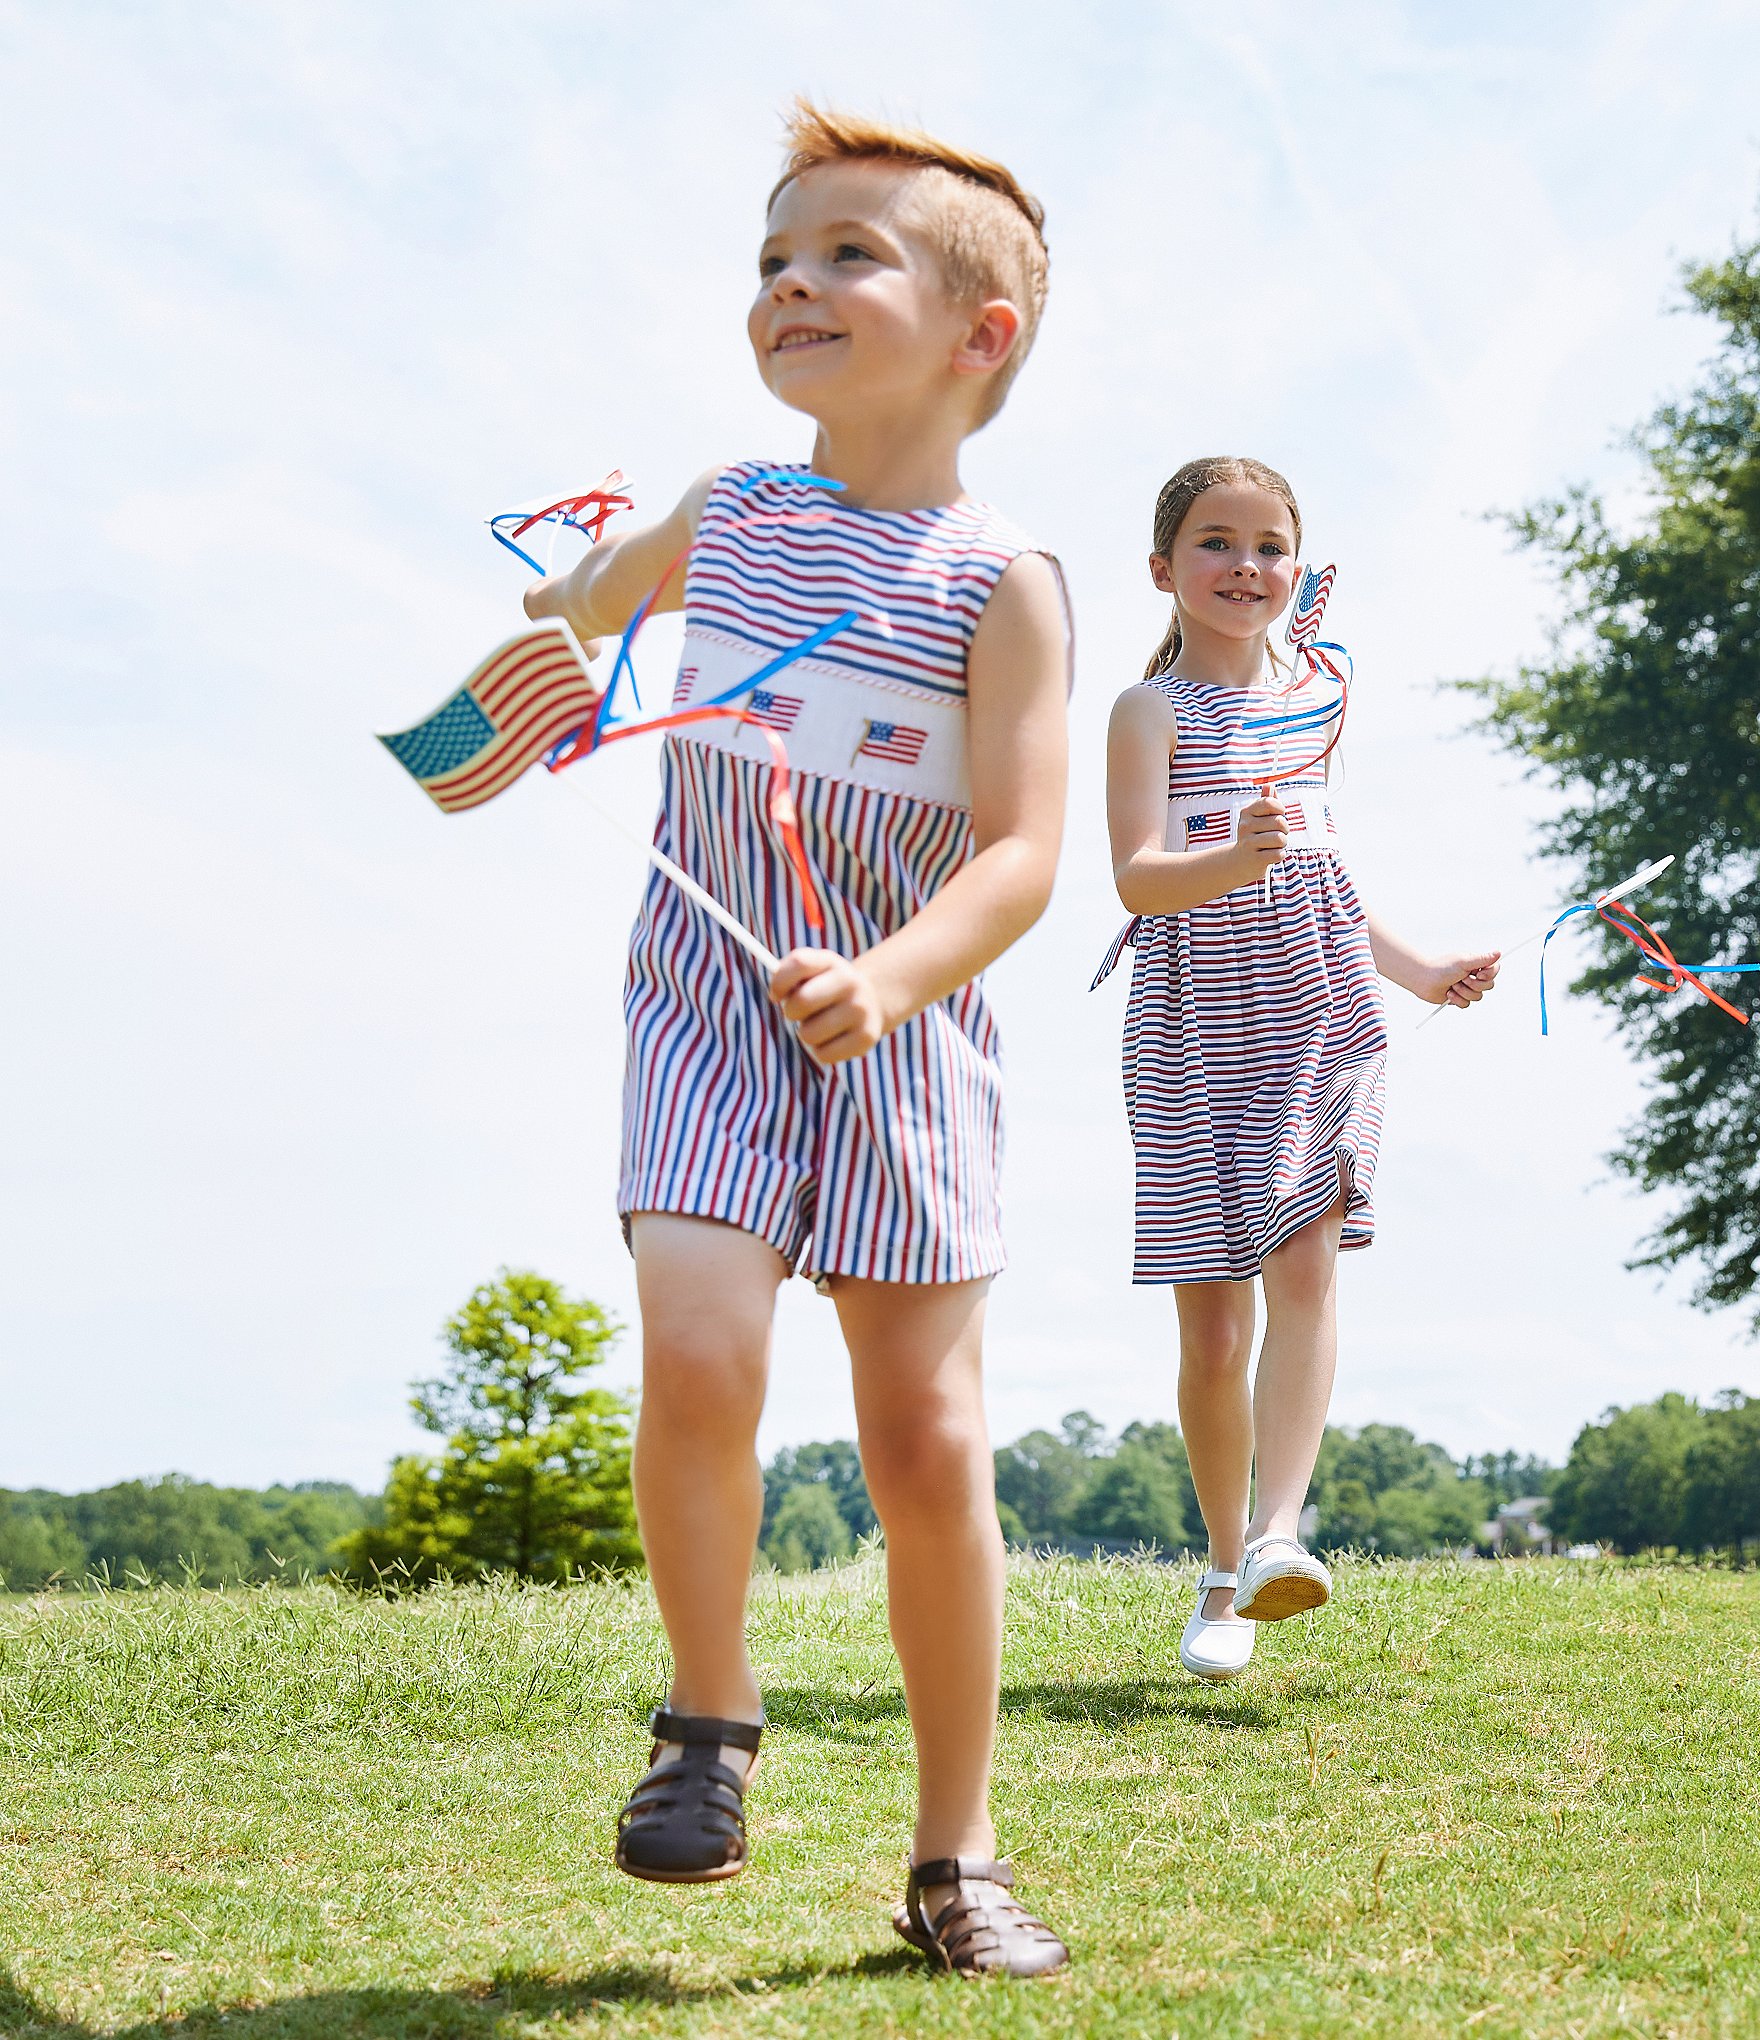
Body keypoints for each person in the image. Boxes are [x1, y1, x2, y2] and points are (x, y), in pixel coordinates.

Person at [524, 103, 1071, 1976]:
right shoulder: (733, 512)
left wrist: (903, 974)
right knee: (695, 1346)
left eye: (845, 254)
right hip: (704, 998)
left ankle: (956, 1857)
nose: (790, 286)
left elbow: (1023, 856)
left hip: (902, 1039)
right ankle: (708, 1721)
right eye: (771, 259)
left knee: (924, 1439)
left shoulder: (1007, 584)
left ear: (980, 334)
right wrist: (563, 604)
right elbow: (606, 592)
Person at [1099, 456, 1498, 1684]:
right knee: (1214, 1328)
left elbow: (1324, 871)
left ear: (1294, 566)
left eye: (1268, 546)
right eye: (1215, 544)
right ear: (1163, 570)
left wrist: (1416, 965)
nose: (1244, 568)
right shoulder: (1146, 712)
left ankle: (1280, 1532)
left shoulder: (1322, 694)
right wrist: (1234, 852)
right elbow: (1134, 877)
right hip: (1194, 1018)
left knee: (1309, 1260)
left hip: (1317, 1002)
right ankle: (1223, 1565)